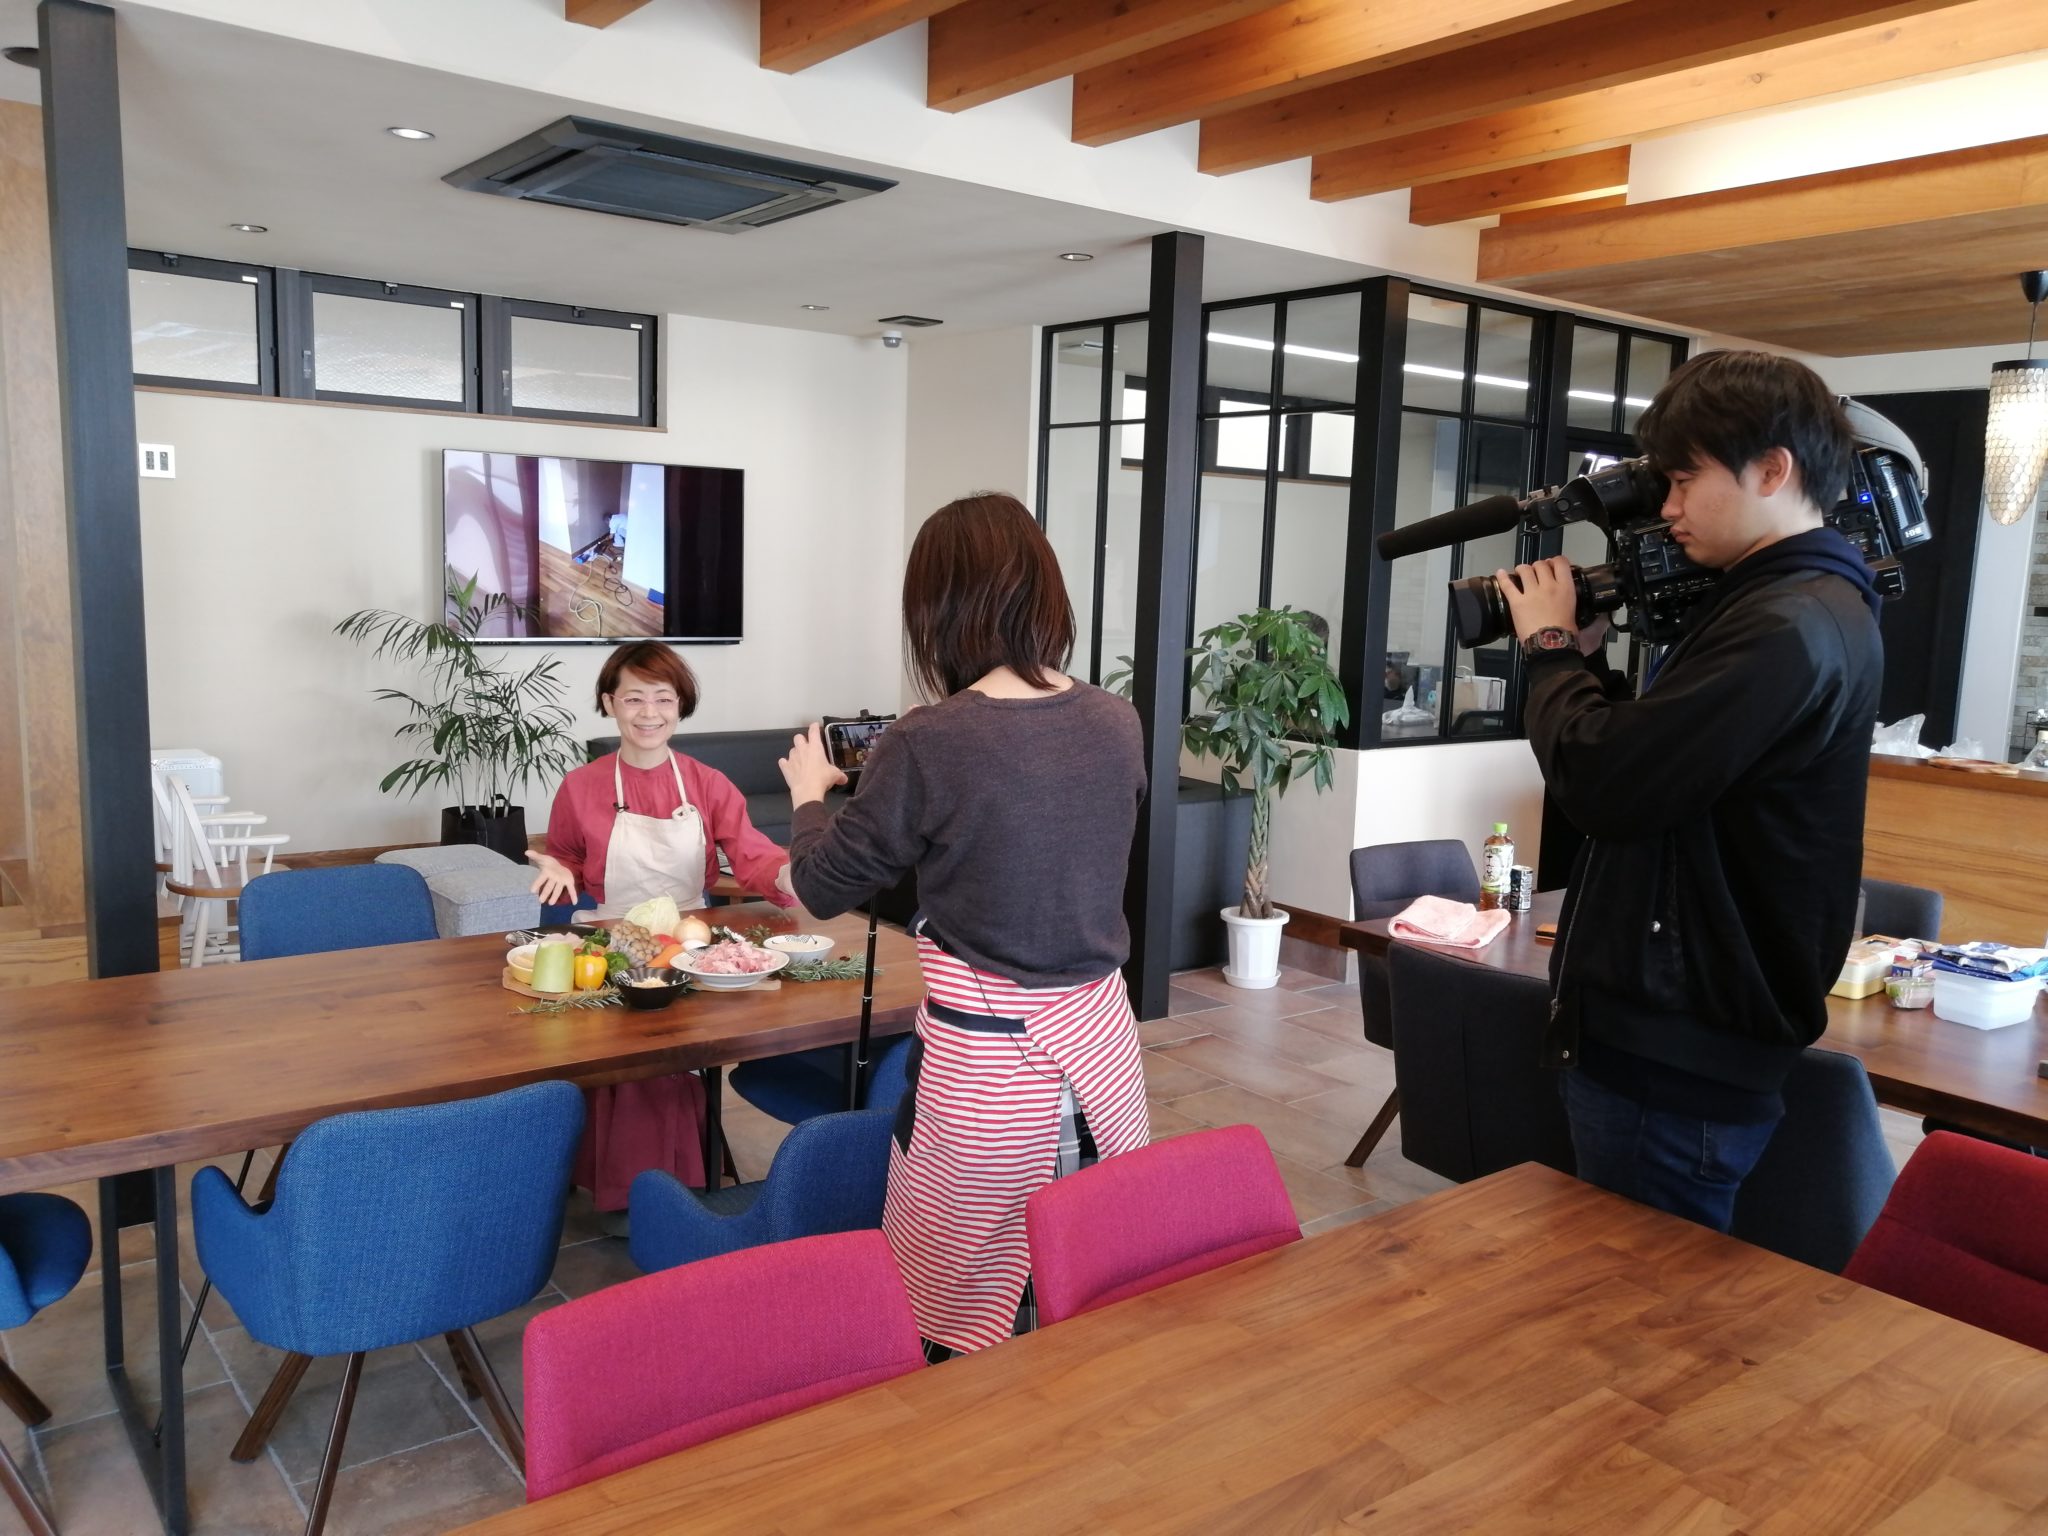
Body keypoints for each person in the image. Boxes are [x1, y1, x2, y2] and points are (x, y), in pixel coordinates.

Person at [1495, 350, 1883, 1232]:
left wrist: (1549, 652)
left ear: (1772, 470)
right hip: (1688, 1031)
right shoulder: (1792, 606)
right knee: (1643, 1289)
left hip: (1678, 1049)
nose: (1668, 509)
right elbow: (1671, 773)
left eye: (1683, 480)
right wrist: (1590, 670)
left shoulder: (1786, 623)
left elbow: (1607, 784)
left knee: (1633, 1295)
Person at [778, 492, 1149, 1356]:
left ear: (937, 609)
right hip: (1106, 1055)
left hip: (990, 1079)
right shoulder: (1116, 719)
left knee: (958, 1314)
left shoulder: (929, 740)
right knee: (1093, 1281)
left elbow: (822, 885)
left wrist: (808, 797)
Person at [527, 641, 796, 1217]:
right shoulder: (581, 786)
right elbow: (566, 856)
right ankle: (623, 1187)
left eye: (663, 698)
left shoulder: (707, 782)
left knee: (676, 1056)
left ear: (680, 705)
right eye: (633, 698)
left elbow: (752, 854)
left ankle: (680, 1179)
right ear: (609, 703)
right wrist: (559, 869)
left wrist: (792, 875)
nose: (649, 713)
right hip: (608, 937)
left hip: (688, 940)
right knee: (620, 1060)